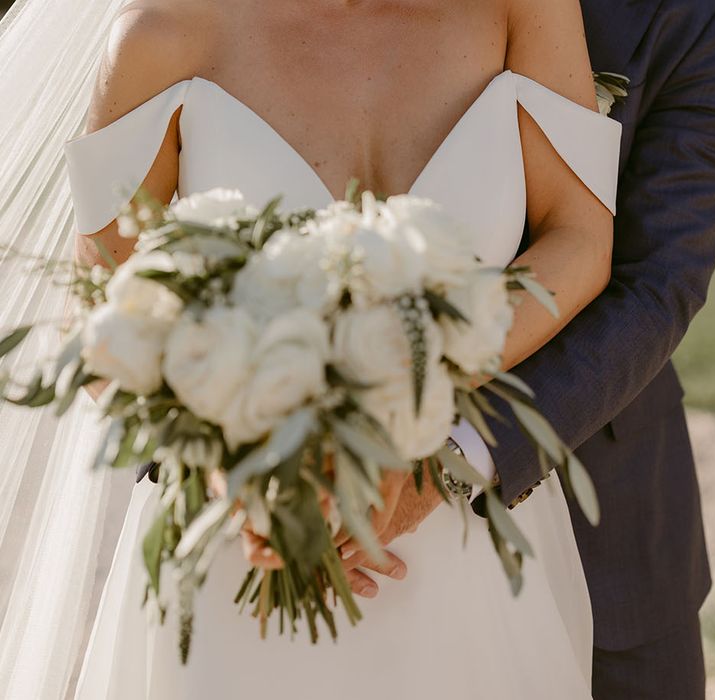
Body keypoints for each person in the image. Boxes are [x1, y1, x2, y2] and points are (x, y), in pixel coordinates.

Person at [54, 0, 625, 697]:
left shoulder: (521, 8)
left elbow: (579, 239)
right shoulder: (163, 31)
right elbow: (100, 315)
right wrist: (235, 478)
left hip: (458, 543)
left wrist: (410, 407)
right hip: (250, 557)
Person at [342, 0, 715, 698]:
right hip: (345, 510)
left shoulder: (697, 12)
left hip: (606, 521)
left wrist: (453, 453)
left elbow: (659, 286)